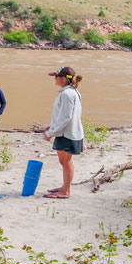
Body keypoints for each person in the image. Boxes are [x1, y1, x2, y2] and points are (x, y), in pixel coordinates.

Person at [41, 66, 84, 199]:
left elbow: (66, 118)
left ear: (63, 79)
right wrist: (52, 126)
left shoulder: (66, 94)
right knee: (65, 162)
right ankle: (64, 187)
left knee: (66, 162)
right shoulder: (73, 92)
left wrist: (51, 133)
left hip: (67, 134)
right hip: (70, 132)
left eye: (56, 76)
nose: (55, 78)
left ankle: (65, 191)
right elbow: (63, 115)